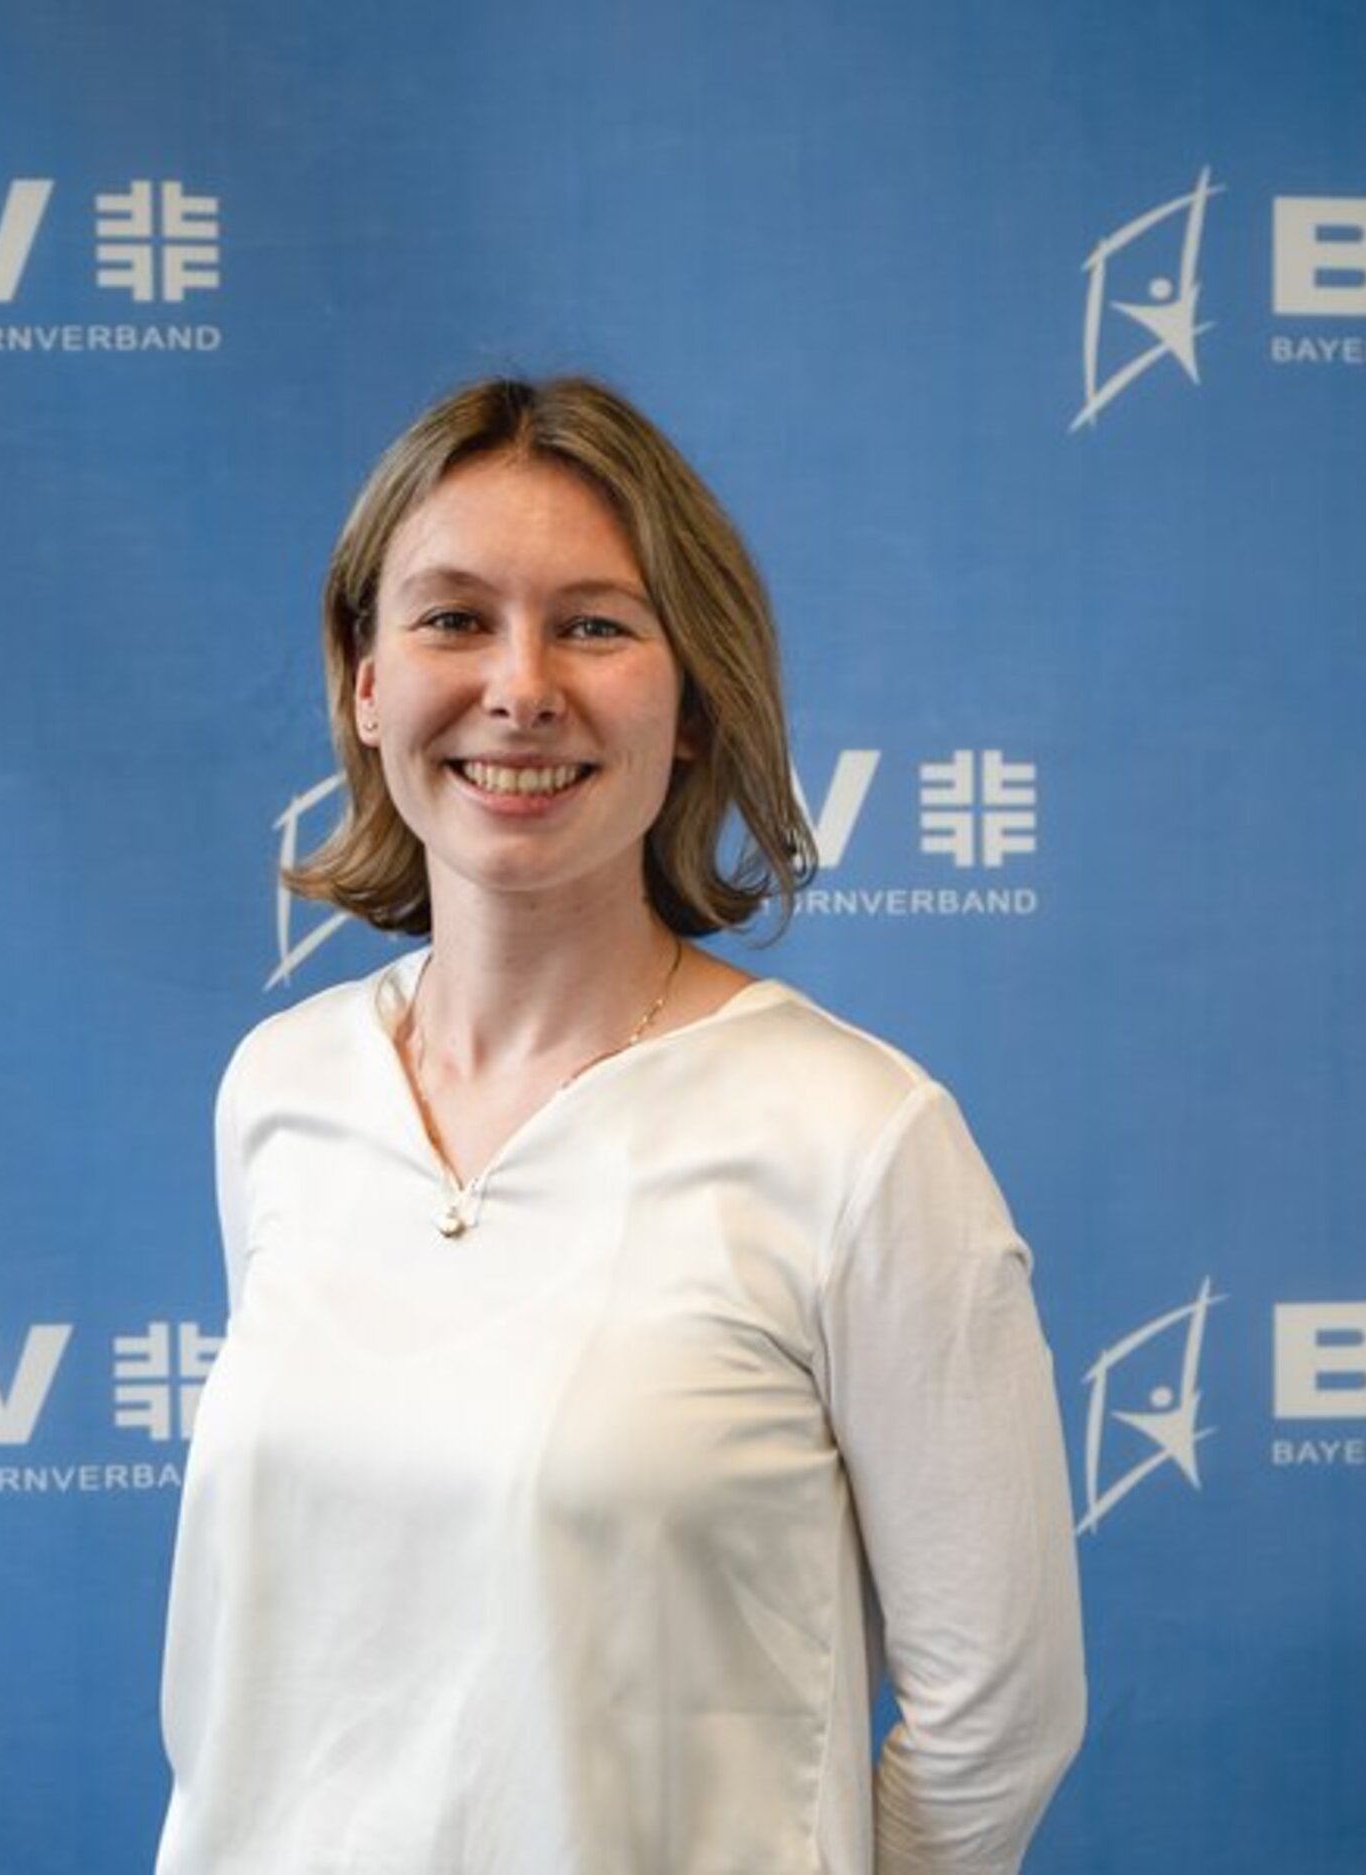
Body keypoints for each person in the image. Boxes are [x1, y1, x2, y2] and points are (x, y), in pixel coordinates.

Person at [156, 376, 1084, 1874]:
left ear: (694, 697)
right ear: (367, 682)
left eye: (593, 625)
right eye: (455, 619)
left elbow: (999, 1722)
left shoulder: (856, 1139)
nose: (520, 687)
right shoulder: (283, 1087)